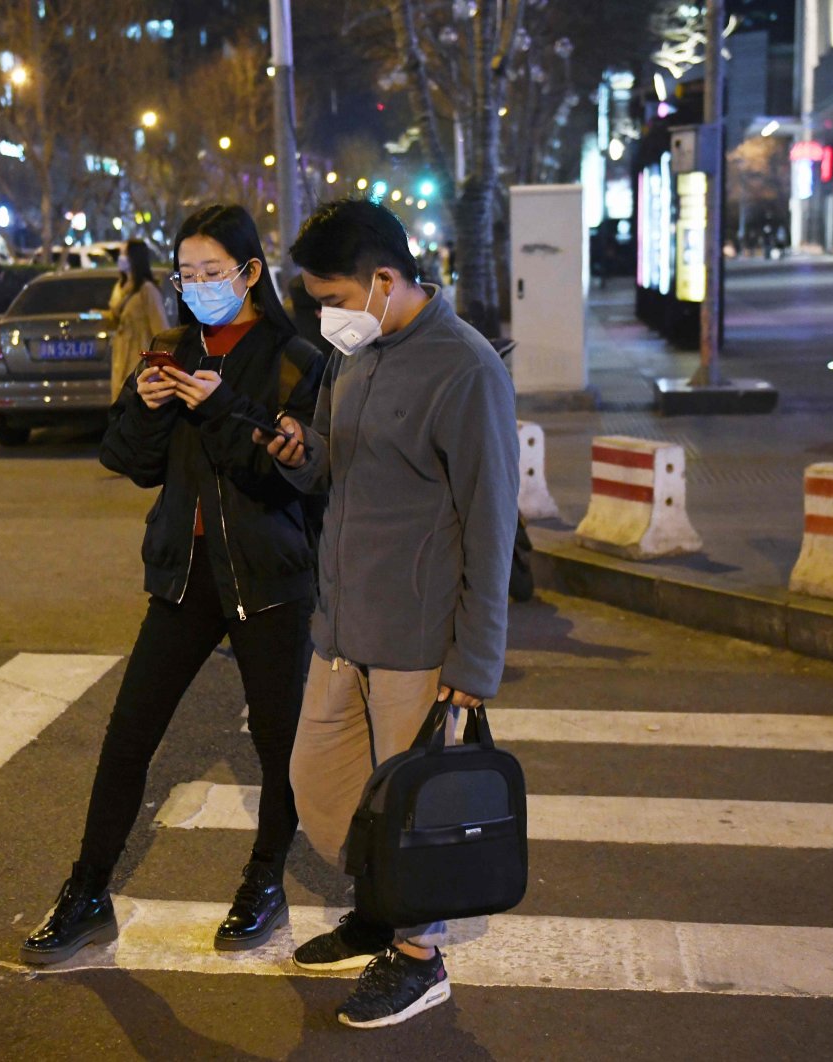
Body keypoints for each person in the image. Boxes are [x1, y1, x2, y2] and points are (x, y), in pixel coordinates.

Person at [20, 204, 326, 964]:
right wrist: (145, 408)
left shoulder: (295, 359)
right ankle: (87, 890)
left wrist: (222, 406)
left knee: (277, 740)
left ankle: (264, 880)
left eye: (211, 274)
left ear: (250, 274)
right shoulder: (169, 345)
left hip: (268, 576)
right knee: (130, 733)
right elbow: (128, 461)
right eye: (186, 274)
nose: (196, 288)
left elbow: (280, 475)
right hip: (184, 575)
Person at [264, 198, 518, 1029]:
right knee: (322, 787)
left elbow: (492, 523)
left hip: (418, 640)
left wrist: (474, 667)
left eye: (333, 297)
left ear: (384, 279)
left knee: (414, 818)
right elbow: (338, 464)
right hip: (342, 628)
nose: (325, 316)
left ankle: (420, 957)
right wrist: (303, 453)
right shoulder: (359, 354)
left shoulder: (467, 368)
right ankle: (383, 908)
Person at [106, 239, 169, 390]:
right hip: (120, 361)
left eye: (124, 253)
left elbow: (160, 330)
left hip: (139, 365)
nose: (120, 258)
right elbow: (116, 318)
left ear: (134, 257)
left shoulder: (147, 290)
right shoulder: (120, 287)